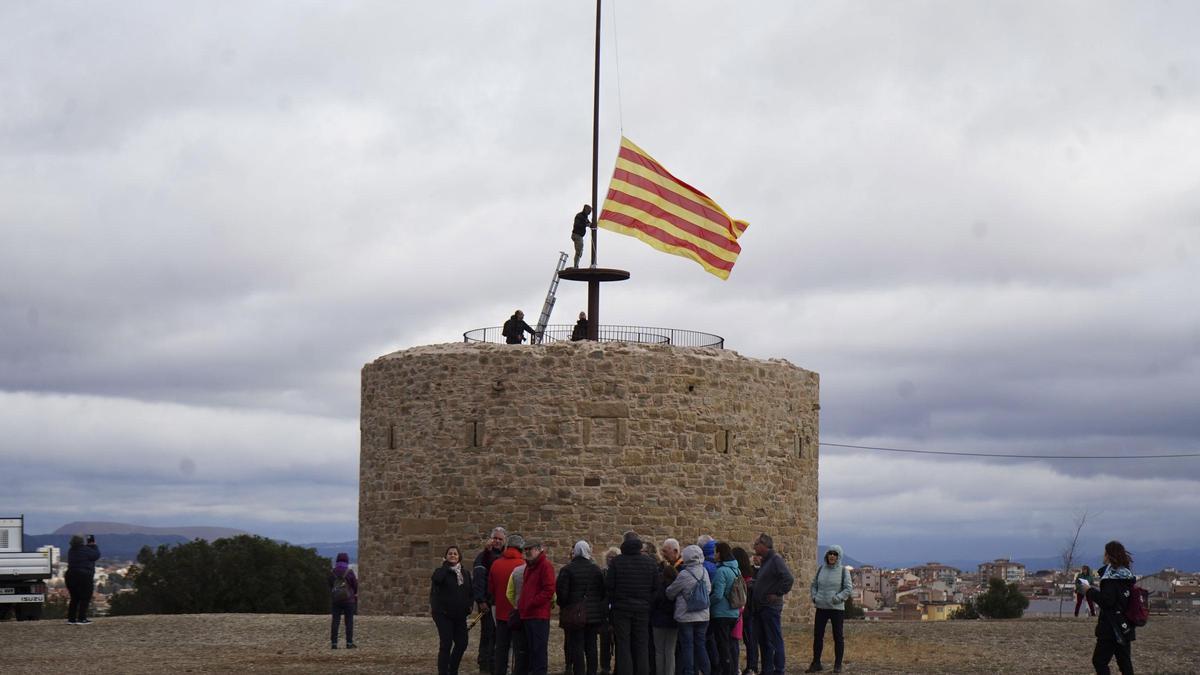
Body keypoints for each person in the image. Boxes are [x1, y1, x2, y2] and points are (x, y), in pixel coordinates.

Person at [607, 531, 659, 675]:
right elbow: (656, 588)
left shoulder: (617, 562)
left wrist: (614, 603)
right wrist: (648, 603)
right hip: (642, 609)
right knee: (641, 645)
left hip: (621, 609)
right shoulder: (650, 562)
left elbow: (609, 587)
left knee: (623, 645)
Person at [1082, 541, 1136, 675]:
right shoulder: (1126, 574)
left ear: (1109, 555)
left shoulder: (1110, 577)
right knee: (1124, 663)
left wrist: (1089, 591)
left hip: (1111, 626)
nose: (1103, 555)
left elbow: (1107, 601)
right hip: (1125, 625)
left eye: (1105, 552)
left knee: (1099, 661)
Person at [558, 540, 607, 675]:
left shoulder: (567, 569)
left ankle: (578, 671)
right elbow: (602, 592)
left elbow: (562, 593)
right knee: (591, 646)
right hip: (592, 615)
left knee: (577, 646)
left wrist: (566, 606)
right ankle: (591, 672)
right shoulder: (596, 569)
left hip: (575, 614)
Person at [750, 534, 793, 675]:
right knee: (764, 641)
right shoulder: (766, 562)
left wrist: (777, 593)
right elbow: (765, 581)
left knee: (775, 639)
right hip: (762, 607)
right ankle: (767, 670)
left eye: (756, 544)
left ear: (764, 545)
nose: (754, 546)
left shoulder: (775, 560)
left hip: (770, 607)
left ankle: (779, 670)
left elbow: (788, 579)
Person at [666, 545, 711, 675]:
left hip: (686, 616)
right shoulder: (704, 572)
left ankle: (690, 672)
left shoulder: (684, 574)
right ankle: (706, 671)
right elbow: (708, 590)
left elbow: (670, 592)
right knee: (701, 645)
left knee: (687, 646)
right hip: (703, 615)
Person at [806, 546, 852, 673]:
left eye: (835, 554)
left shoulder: (843, 571)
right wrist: (815, 597)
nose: (832, 556)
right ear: (826, 555)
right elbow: (814, 584)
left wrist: (837, 598)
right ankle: (816, 663)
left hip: (836, 609)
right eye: (830, 553)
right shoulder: (821, 569)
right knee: (818, 636)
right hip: (821, 607)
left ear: (839, 556)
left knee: (838, 636)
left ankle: (837, 665)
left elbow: (848, 588)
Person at [432, 546, 474, 675]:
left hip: (459, 614)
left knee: (462, 643)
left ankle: (453, 668)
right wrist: (446, 566)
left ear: (459, 556)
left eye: (455, 554)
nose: (453, 555)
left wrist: (469, 606)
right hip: (443, 614)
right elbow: (437, 581)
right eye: (450, 554)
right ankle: (443, 671)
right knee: (446, 643)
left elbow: (469, 591)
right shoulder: (440, 571)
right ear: (446, 556)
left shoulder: (465, 573)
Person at [516, 539, 556, 675]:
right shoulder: (529, 566)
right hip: (527, 615)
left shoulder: (545, 566)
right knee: (530, 652)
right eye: (525, 549)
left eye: (530, 549)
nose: (527, 551)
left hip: (539, 616)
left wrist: (531, 603)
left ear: (539, 549)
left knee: (538, 652)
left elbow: (549, 590)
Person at [490, 534, 527, 675]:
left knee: (501, 648)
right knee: (518, 648)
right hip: (517, 613)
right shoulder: (523, 565)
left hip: (500, 612)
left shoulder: (496, 564)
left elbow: (491, 589)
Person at [474, 527, 508, 671]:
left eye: (500, 539)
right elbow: (479, 580)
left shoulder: (505, 557)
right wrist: (481, 600)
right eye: (495, 538)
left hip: (500, 603)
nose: (497, 541)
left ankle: (495, 662)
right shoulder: (482, 557)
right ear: (490, 539)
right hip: (487, 603)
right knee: (487, 634)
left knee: (498, 635)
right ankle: (484, 663)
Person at [710, 542, 741, 675]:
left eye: (715, 551)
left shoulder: (721, 571)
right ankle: (732, 670)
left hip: (721, 613)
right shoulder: (736, 570)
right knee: (728, 644)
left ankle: (727, 671)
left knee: (722, 647)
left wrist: (707, 603)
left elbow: (718, 594)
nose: (714, 555)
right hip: (734, 612)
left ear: (720, 554)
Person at [651, 539, 681, 675]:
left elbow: (655, 600)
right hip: (673, 620)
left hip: (659, 620)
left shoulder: (659, 582)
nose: (663, 553)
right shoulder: (679, 580)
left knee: (659, 651)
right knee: (670, 651)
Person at [731, 546, 756, 675]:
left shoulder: (741, 577)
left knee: (745, 639)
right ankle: (752, 666)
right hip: (749, 612)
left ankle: (750, 666)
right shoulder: (749, 575)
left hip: (743, 612)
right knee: (750, 640)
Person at [65, 534, 100, 625]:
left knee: (75, 598)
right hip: (84, 576)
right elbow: (96, 555)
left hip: (70, 576)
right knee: (85, 596)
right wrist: (93, 545)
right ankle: (82, 618)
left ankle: (71, 619)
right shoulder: (86, 549)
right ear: (82, 542)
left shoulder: (71, 551)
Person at [328, 552, 359, 649]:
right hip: (349, 600)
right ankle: (349, 643)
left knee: (335, 621)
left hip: (336, 600)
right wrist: (353, 593)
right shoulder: (349, 572)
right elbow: (355, 585)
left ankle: (334, 643)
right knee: (349, 621)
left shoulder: (333, 572)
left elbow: (330, 584)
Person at [599, 545, 621, 675]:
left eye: (614, 557)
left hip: (617, 608)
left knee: (619, 640)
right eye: (609, 557)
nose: (611, 559)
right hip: (605, 609)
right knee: (605, 640)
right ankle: (605, 667)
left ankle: (618, 666)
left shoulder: (621, 572)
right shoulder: (603, 572)